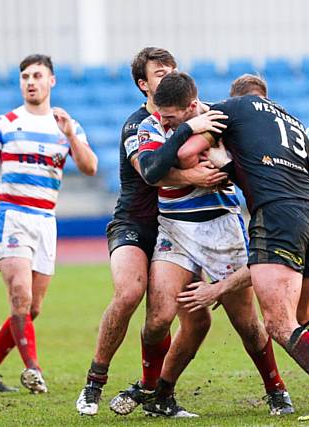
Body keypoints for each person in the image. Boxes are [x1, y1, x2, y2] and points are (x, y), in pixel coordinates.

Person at [175, 74, 309, 421]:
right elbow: (272, 173)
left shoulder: (232, 108)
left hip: (277, 218)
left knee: (279, 323)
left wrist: (193, 137)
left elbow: (187, 149)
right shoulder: (294, 123)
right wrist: (231, 166)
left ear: (235, 98)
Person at [108, 71, 294, 418]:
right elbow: (152, 170)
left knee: (247, 324)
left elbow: (223, 165)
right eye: (161, 117)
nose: (163, 121)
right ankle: (155, 391)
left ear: (192, 105)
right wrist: (184, 134)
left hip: (221, 228)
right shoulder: (151, 124)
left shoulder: (218, 118)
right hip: (174, 229)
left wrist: (188, 151)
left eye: (172, 117)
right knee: (159, 317)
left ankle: (277, 390)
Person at [75, 47, 226, 416]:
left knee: (195, 318)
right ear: (143, 84)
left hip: (178, 227)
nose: (168, 75)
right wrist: (194, 173)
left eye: (173, 69)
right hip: (135, 223)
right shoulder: (135, 125)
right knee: (129, 293)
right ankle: (94, 382)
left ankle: (158, 394)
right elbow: (150, 172)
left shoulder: (195, 112)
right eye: (160, 72)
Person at [0, 54, 98, 394]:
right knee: (20, 296)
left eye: (37, 75)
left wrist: (71, 134)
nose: (30, 81)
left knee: (32, 308)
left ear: (51, 81)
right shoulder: (5, 123)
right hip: (12, 216)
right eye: (25, 76)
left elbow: (90, 167)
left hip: (46, 221)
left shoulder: (67, 124)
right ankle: (33, 369)